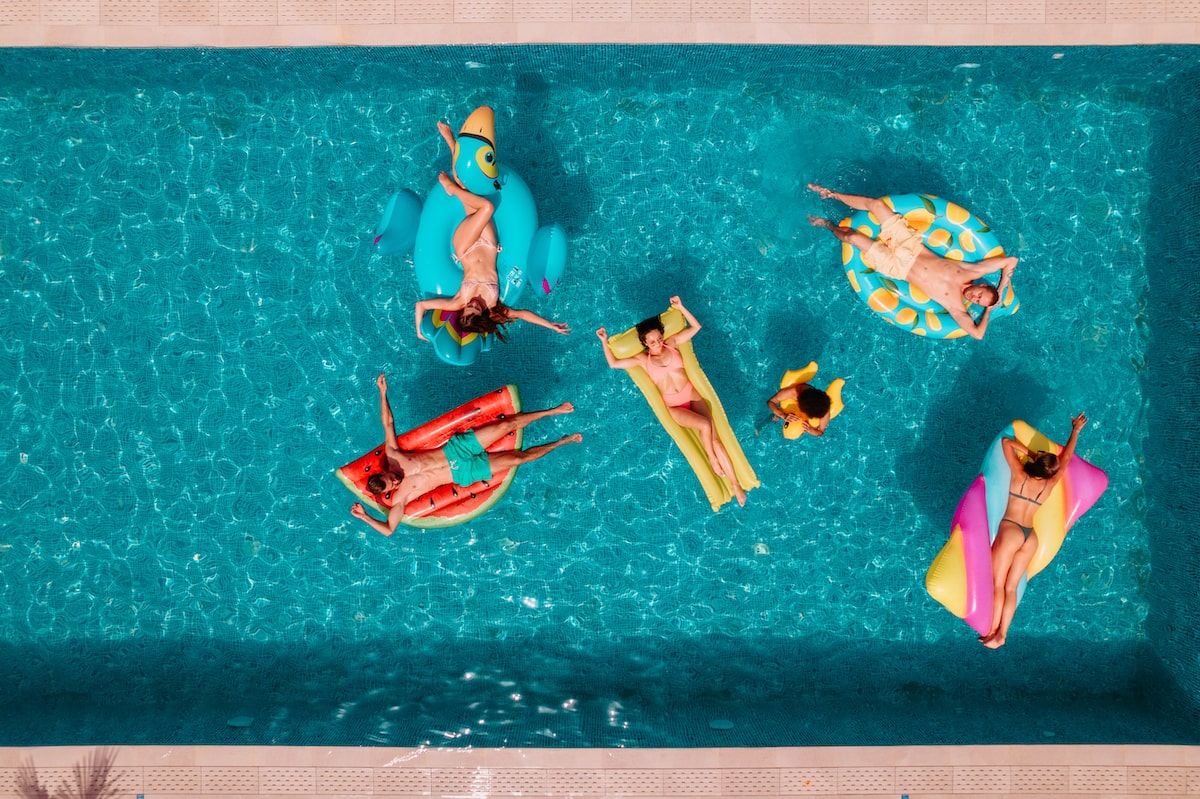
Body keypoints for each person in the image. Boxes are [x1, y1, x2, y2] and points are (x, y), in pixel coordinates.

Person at [349, 373, 581, 536]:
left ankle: (553, 410)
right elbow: (389, 530)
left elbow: (388, 423)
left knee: (506, 425)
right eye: (392, 485)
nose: (395, 481)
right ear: (389, 492)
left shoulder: (393, 456)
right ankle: (563, 441)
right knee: (521, 458)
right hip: (465, 472)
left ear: (384, 472)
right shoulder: (401, 498)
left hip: (457, 449)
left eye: (391, 478)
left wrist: (383, 393)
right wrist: (364, 517)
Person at [807, 183, 1018, 341]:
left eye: (978, 302)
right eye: (980, 294)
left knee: (852, 237)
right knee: (876, 204)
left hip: (895, 267)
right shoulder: (971, 271)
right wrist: (1002, 287)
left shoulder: (955, 305)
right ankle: (831, 194)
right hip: (911, 245)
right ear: (982, 285)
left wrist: (989, 309)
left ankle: (828, 225)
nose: (974, 298)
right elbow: (1011, 260)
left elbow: (978, 334)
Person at [595, 296, 747, 506]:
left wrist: (681, 307)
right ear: (645, 343)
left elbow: (696, 327)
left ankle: (735, 485)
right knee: (704, 425)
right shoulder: (643, 360)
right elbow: (613, 364)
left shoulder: (672, 344)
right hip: (675, 406)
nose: (657, 343)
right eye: (652, 342)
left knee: (715, 440)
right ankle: (712, 459)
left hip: (691, 394)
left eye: (658, 338)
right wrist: (604, 341)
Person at [980, 412, 1089, 649]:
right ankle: (1002, 635)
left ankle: (991, 630)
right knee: (1010, 587)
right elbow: (1067, 458)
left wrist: (1030, 453)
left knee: (997, 583)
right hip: (1030, 537)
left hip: (1011, 530)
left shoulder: (1019, 474)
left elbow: (1006, 442)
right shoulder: (1050, 483)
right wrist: (1075, 431)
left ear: (1037, 462)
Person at [766, 383, 831, 437]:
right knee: (775, 417)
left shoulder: (823, 407)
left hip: (808, 400)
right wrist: (783, 415)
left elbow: (820, 431)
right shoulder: (792, 392)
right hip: (795, 403)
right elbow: (770, 402)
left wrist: (811, 430)